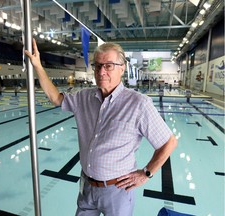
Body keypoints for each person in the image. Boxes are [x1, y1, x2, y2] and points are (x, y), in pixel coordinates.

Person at [25, 39, 177, 216]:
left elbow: (169, 142)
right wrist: (37, 65)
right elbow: (56, 98)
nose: (101, 71)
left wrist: (146, 173)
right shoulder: (84, 97)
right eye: (97, 66)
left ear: (122, 68)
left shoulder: (138, 104)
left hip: (117, 191)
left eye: (109, 66)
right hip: (87, 186)